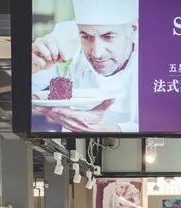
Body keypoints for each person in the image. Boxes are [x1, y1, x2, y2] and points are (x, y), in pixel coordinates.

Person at [31, 0, 139, 132]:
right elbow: (25, 90)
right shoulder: (67, 37)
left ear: (133, 29)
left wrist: (114, 130)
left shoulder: (155, 55)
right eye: (86, 37)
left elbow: (160, 123)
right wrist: (30, 65)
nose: (97, 53)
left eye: (109, 37)